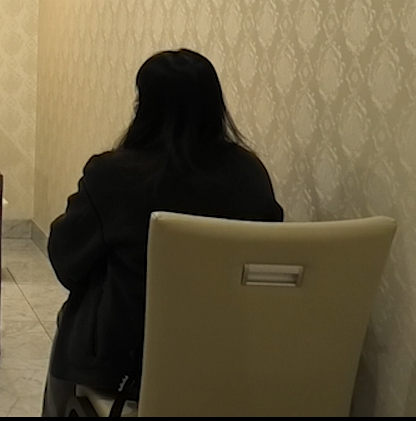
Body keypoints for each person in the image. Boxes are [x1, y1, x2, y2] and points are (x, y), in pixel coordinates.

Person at [41, 49, 284, 417]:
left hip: (130, 367)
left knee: (71, 319)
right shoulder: (249, 174)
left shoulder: (114, 174)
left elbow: (66, 261)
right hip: (232, 357)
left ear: (144, 107)